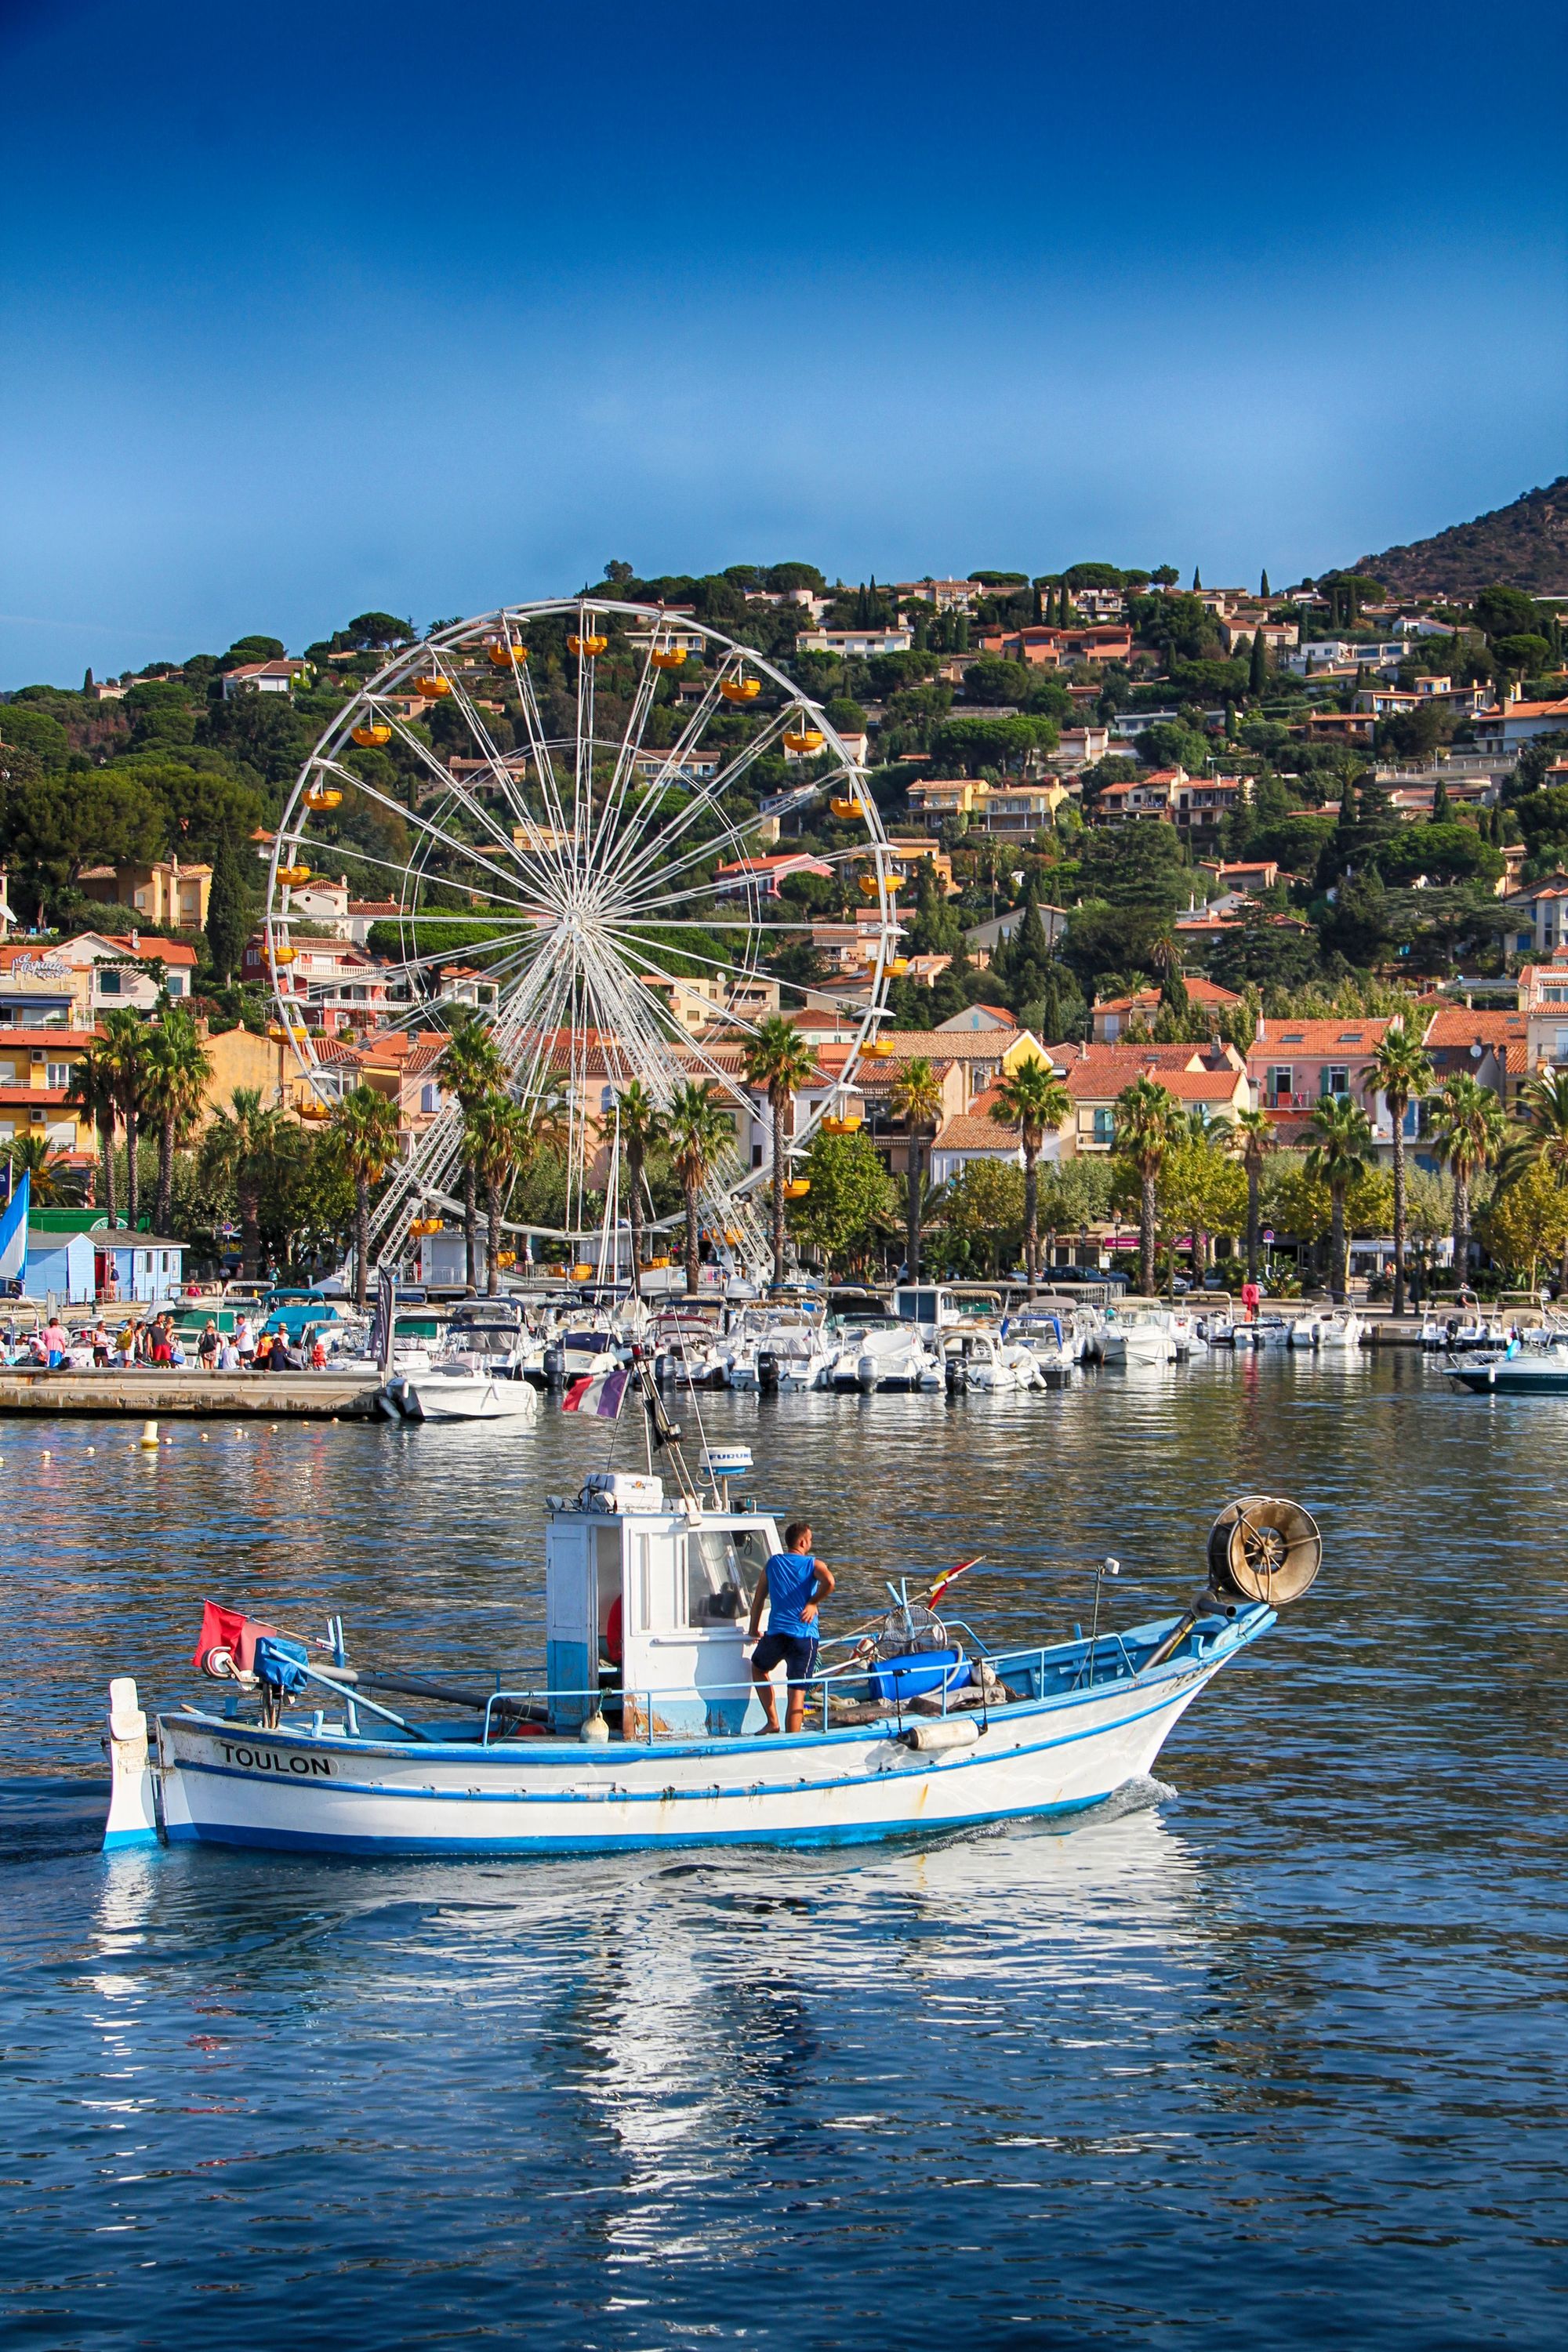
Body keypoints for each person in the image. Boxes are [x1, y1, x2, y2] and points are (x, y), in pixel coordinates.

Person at [747, 1519, 835, 1735]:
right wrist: (813, 1602)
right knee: (796, 1693)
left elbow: (758, 1600)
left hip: (777, 1634)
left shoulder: (772, 1563)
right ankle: (792, 1742)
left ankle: (772, 1721)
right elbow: (830, 1582)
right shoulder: (812, 1564)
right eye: (811, 1539)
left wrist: (752, 1629)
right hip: (804, 1637)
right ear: (803, 1542)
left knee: (759, 1669)